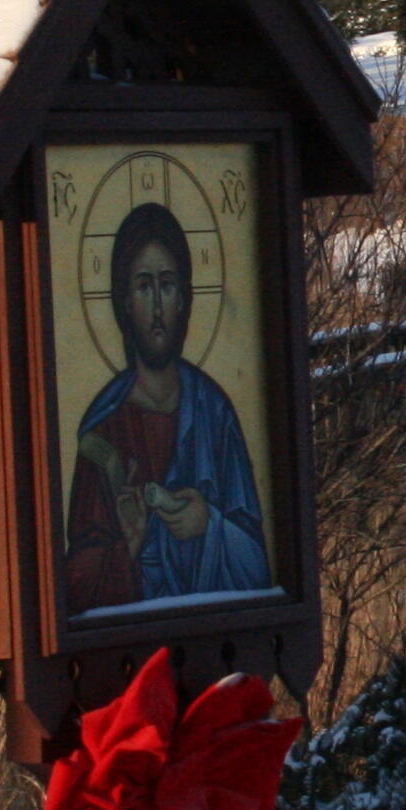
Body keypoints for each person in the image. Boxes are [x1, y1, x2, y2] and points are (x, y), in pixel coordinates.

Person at [61, 201, 270, 610]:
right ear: (123, 302)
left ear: (184, 299)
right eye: (143, 286)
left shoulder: (214, 413)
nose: (157, 307)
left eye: (168, 285)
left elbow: (259, 569)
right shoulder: (102, 434)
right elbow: (76, 589)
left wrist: (209, 525)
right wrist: (130, 545)